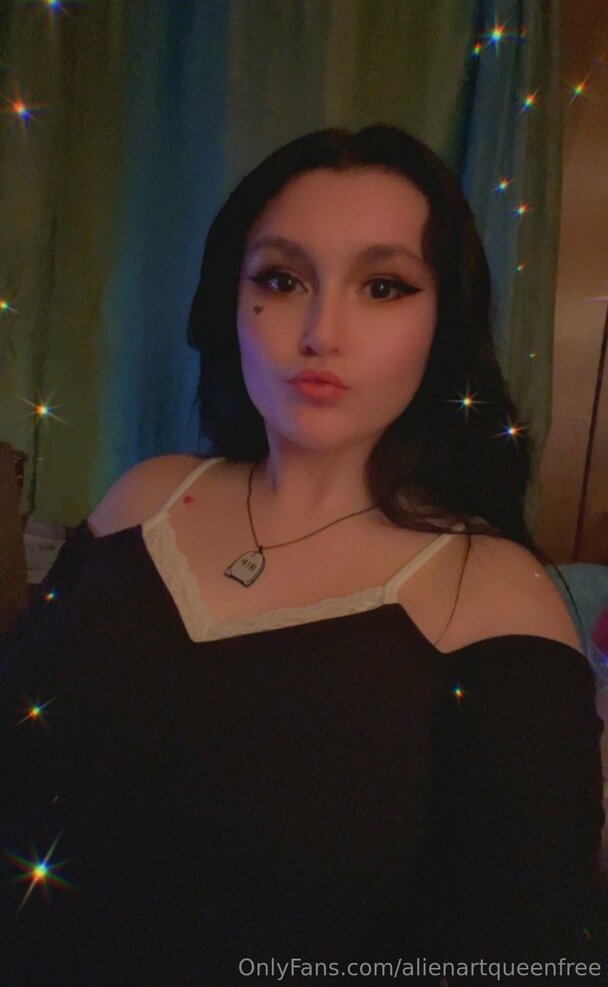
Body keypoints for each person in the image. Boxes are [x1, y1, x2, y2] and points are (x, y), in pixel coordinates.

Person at [1, 125, 605, 986]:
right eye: (281, 280)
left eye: (384, 286)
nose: (321, 332)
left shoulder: (495, 600)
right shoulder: (143, 500)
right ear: (229, 300)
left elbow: (528, 953)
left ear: (444, 324)